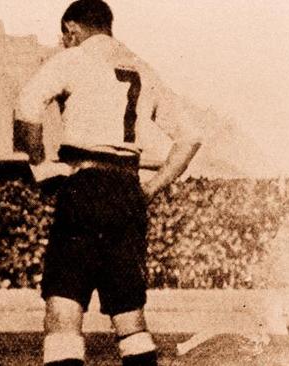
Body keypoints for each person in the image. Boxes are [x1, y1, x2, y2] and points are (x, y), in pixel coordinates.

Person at [15, 1, 207, 365]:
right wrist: (151, 187)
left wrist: (40, 163)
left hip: (86, 186)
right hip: (127, 190)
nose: (63, 41)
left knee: (63, 310)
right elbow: (190, 137)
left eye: (64, 35)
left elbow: (26, 107)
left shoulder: (73, 59)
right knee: (129, 315)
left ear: (72, 29)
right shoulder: (143, 67)